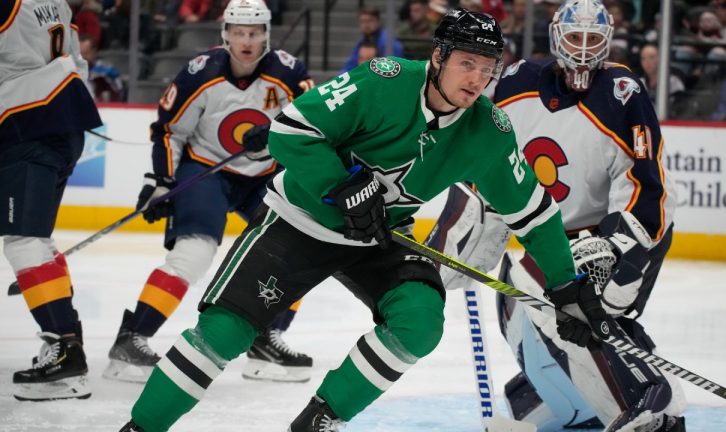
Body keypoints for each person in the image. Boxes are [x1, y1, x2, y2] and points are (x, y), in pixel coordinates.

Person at [120, 9, 611, 432]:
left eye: (487, 69)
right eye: (466, 64)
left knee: (419, 321)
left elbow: (534, 213)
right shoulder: (385, 78)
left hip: (380, 234)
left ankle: (321, 418)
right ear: (438, 57)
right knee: (223, 333)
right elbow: (289, 131)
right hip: (300, 221)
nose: (477, 80)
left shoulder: (489, 130)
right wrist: (341, 184)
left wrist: (566, 287)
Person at [428, 0, 686, 431]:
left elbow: (650, 188)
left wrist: (618, 249)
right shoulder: (516, 83)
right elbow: (482, 168)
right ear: (556, 38)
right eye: (574, 38)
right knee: (516, 302)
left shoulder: (622, 93)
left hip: (613, 239)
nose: (583, 50)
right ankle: (567, 411)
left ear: (607, 42)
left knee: (553, 288)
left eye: (592, 39)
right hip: (545, 239)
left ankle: (648, 405)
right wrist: (441, 258)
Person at [103, 0, 316, 385]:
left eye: (254, 33)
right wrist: (162, 181)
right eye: (239, 32)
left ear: (267, 34)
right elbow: (170, 131)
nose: (247, 41)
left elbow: (313, 123)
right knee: (194, 254)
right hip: (206, 171)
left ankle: (267, 338)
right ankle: (132, 339)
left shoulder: (288, 72)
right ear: (225, 34)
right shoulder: (200, 74)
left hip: (262, 177)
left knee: (297, 248)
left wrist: (276, 133)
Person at [0, 0, 102, 400]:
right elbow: (78, 60)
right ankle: (66, 346)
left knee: (24, 240)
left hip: (26, 123)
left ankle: (63, 347)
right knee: (36, 239)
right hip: (61, 119)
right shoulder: (54, 1)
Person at [340, 6, 404, 73]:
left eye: (370, 21)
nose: (366, 25)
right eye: (362, 21)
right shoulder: (361, 41)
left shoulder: (389, 43)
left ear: (378, 22)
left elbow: (394, 70)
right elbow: (350, 66)